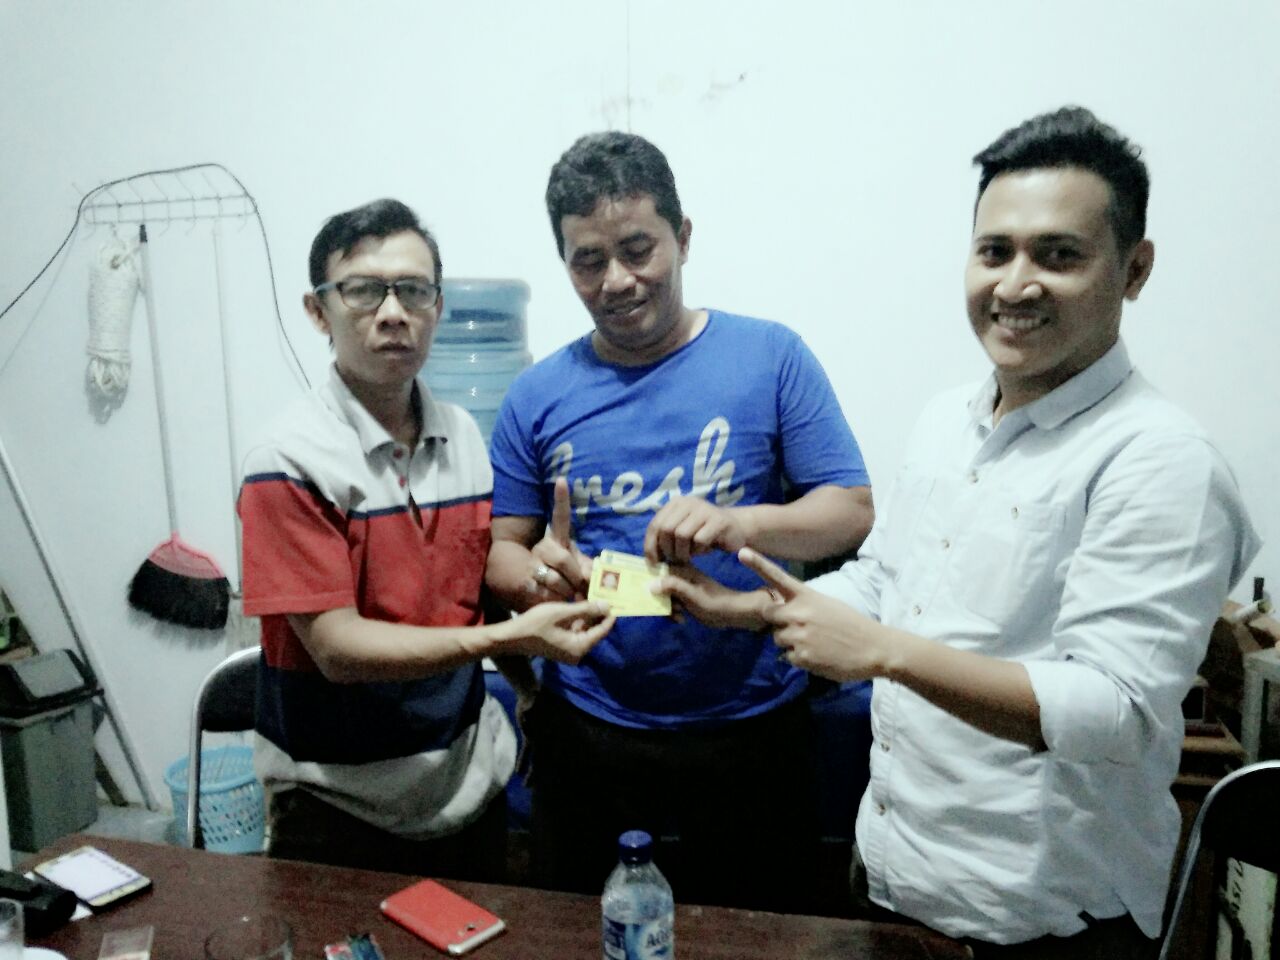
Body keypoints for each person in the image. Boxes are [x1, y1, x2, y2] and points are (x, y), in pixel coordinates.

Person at [659, 106, 1261, 956]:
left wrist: (883, 653)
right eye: (994, 251)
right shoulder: (950, 419)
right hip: (897, 876)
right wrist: (748, 609)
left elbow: (1114, 709)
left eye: (1058, 255)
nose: (1015, 285)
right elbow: (886, 583)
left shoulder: (1161, 460)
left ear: (1135, 270)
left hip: (1043, 921)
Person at [484, 132, 874, 911]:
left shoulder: (770, 356)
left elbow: (850, 512)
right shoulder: (537, 392)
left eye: (638, 250)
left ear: (683, 236)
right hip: (587, 727)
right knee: (578, 933)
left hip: (754, 725)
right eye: (588, 261)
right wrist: (537, 575)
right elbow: (501, 549)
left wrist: (738, 524)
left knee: (760, 938)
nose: (617, 280)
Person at [238, 198, 613, 878]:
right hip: (337, 807)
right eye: (363, 290)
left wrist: (529, 674)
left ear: (438, 307)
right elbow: (338, 649)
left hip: (466, 790)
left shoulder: (462, 436)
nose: (392, 312)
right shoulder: (289, 458)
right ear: (318, 311)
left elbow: (472, 595)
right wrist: (510, 641)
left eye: (413, 290)